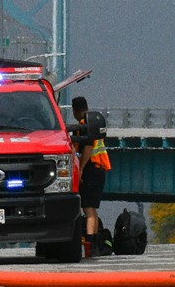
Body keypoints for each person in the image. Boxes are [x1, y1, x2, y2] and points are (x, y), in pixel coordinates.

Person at [72, 96, 110, 258]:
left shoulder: (84, 125)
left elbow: (87, 149)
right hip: (99, 168)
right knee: (92, 211)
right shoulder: (95, 123)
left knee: (87, 210)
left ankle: (89, 247)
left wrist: (79, 170)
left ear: (75, 110)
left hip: (90, 170)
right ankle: (93, 246)